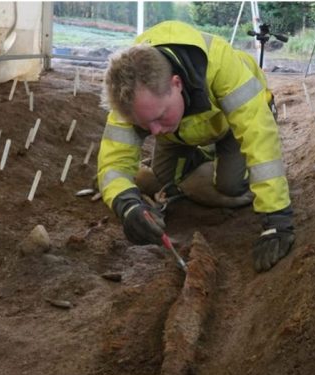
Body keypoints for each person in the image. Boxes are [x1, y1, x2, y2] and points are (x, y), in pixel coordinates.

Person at [98, 20, 294, 272]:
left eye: (159, 117)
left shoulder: (222, 66)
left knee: (230, 185)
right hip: (182, 133)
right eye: (145, 125)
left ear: (176, 84)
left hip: (232, 126)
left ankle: (220, 166)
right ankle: (202, 162)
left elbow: (259, 140)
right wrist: (126, 205)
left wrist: (276, 218)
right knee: (166, 178)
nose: (154, 132)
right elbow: (113, 163)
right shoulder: (130, 97)